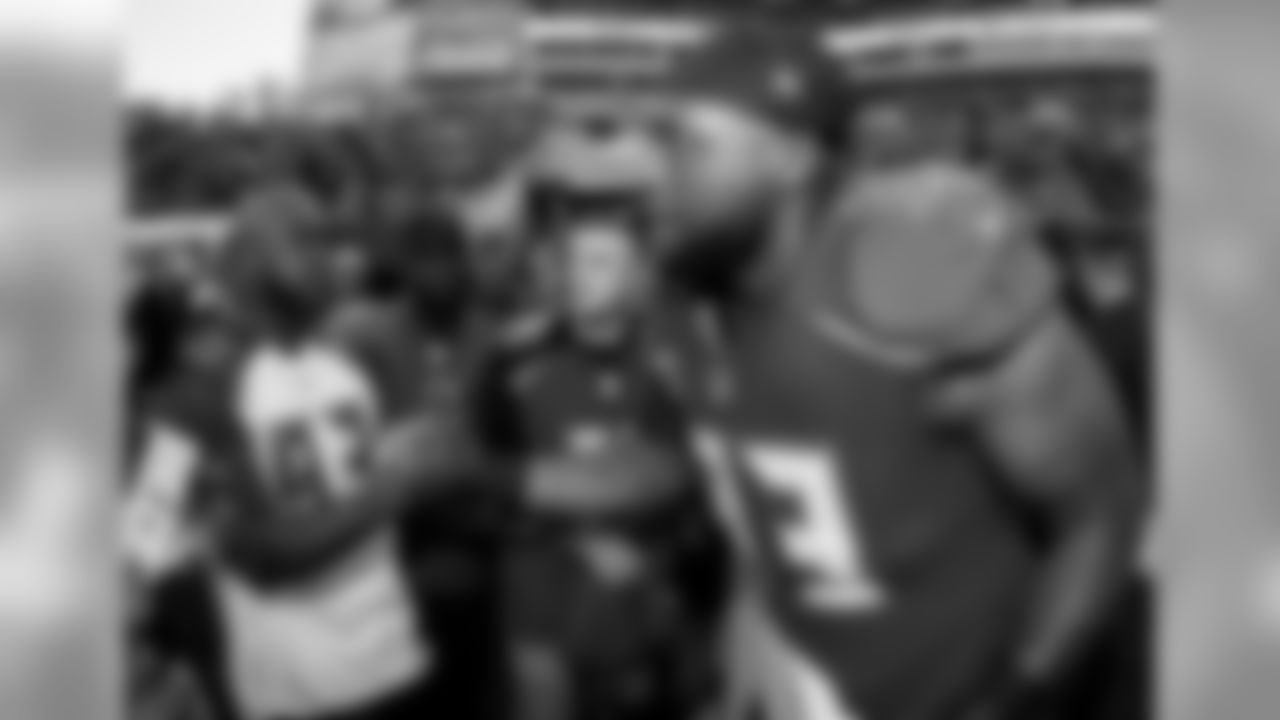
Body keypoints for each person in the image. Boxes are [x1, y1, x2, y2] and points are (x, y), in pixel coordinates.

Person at [655, 23, 1147, 720]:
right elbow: (756, 508)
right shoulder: (684, 297)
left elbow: (1099, 514)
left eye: (688, 146)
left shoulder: (903, 271)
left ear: (790, 159)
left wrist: (1016, 697)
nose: (657, 172)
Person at [135, 189, 488, 720]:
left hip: (398, 664)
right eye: (308, 241)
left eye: (331, 241)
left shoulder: (341, 366)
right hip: (303, 696)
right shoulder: (199, 395)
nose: (334, 259)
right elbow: (252, 555)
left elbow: (356, 490)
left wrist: (416, 458)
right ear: (252, 259)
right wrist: (397, 485)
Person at [476, 186, 727, 720]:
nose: (578, 275)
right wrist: (580, 535)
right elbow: (484, 484)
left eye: (600, 261)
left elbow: (702, 479)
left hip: (659, 605)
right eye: (572, 259)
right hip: (548, 597)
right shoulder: (511, 364)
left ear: (637, 272)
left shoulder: (674, 362)